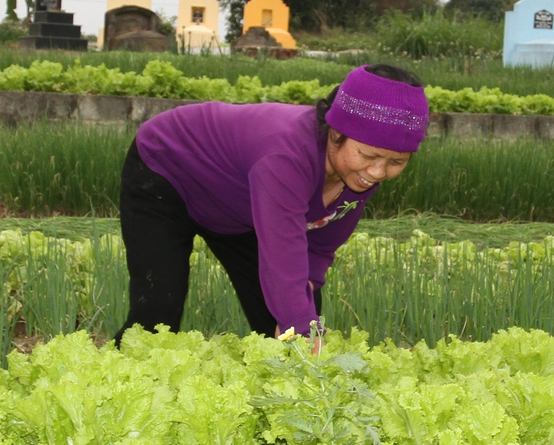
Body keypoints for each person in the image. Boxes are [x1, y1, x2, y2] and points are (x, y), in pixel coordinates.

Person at [117, 63, 427, 342]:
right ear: (336, 132)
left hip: (238, 207)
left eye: (396, 162)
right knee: (157, 314)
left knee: (290, 316)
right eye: (369, 156)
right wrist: (300, 328)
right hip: (166, 169)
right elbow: (283, 251)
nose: (377, 172)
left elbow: (319, 246)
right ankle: (118, 385)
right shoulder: (286, 156)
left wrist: (305, 304)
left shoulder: (359, 173)